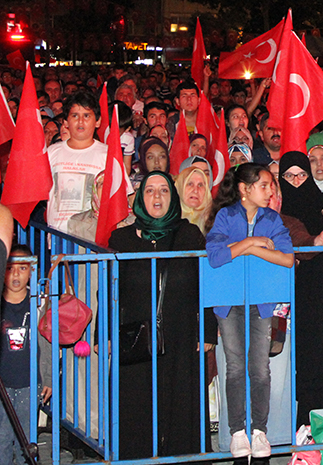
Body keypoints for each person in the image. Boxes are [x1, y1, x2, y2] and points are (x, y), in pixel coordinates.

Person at [108, 171, 213, 458]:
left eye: (164, 191)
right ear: (140, 199)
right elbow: (108, 291)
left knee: (181, 402)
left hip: (181, 335)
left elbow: (205, 285)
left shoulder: (189, 234)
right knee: (136, 404)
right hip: (134, 337)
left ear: (173, 197)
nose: (157, 196)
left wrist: (206, 329)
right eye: (150, 191)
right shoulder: (121, 238)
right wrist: (103, 333)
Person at [205, 164, 294, 459]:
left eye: (271, 186)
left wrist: (250, 249)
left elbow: (287, 258)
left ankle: (260, 431)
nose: (270, 191)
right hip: (229, 303)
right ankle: (237, 432)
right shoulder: (226, 215)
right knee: (234, 367)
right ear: (245, 189)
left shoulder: (272, 219)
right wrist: (252, 242)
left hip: (262, 302)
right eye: (264, 185)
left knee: (260, 368)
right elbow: (216, 256)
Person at [0, 244, 51, 464]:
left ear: (32, 271)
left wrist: (47, 378)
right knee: (2, 438)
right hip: (2, 385)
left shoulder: (38, 304)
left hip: (30, 384)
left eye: (22, 268)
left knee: (26, 442)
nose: (16, 274)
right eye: (10, 269)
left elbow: (47, 343)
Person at [47, 91, 113, 233]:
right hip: (58, 234)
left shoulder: (108, 154)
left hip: (92, 236)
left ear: (98, 121)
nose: (81, 121)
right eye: (75, 116)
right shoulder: (52, 153)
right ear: (65, 122)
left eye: (87, 116)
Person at [176, 164, 213, 234]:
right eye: (190, 184)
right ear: (180, 187)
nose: (195, 190)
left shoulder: (216, 221)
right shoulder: (166, 222)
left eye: (200, 185)